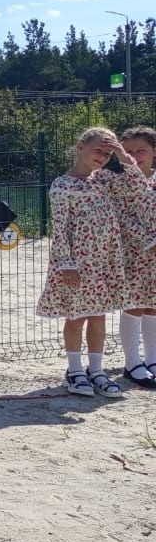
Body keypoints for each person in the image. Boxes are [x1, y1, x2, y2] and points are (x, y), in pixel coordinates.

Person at [35, 126, 149, 397]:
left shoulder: (105, 179)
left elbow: (138, 187)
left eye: (107, 153)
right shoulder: (63, 185)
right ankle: (75, 371)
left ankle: (96, 370)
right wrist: (65, 263)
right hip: (77, 264)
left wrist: (122, 155)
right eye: (98, 150)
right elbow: (60, 228)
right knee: (77, 316)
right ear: (80, 147)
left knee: (99, 316)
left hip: (105, 261)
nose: (102, 157)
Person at [116, 126, 156, 387]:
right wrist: (149, 241)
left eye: (141, 150)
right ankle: (132, 363)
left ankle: (152, 360)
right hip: (133, 253)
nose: (134, 156)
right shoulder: (119, 183)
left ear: (154, 151)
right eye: (128, 151)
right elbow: (121, 217)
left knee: (153, 305)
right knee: (134, 305)